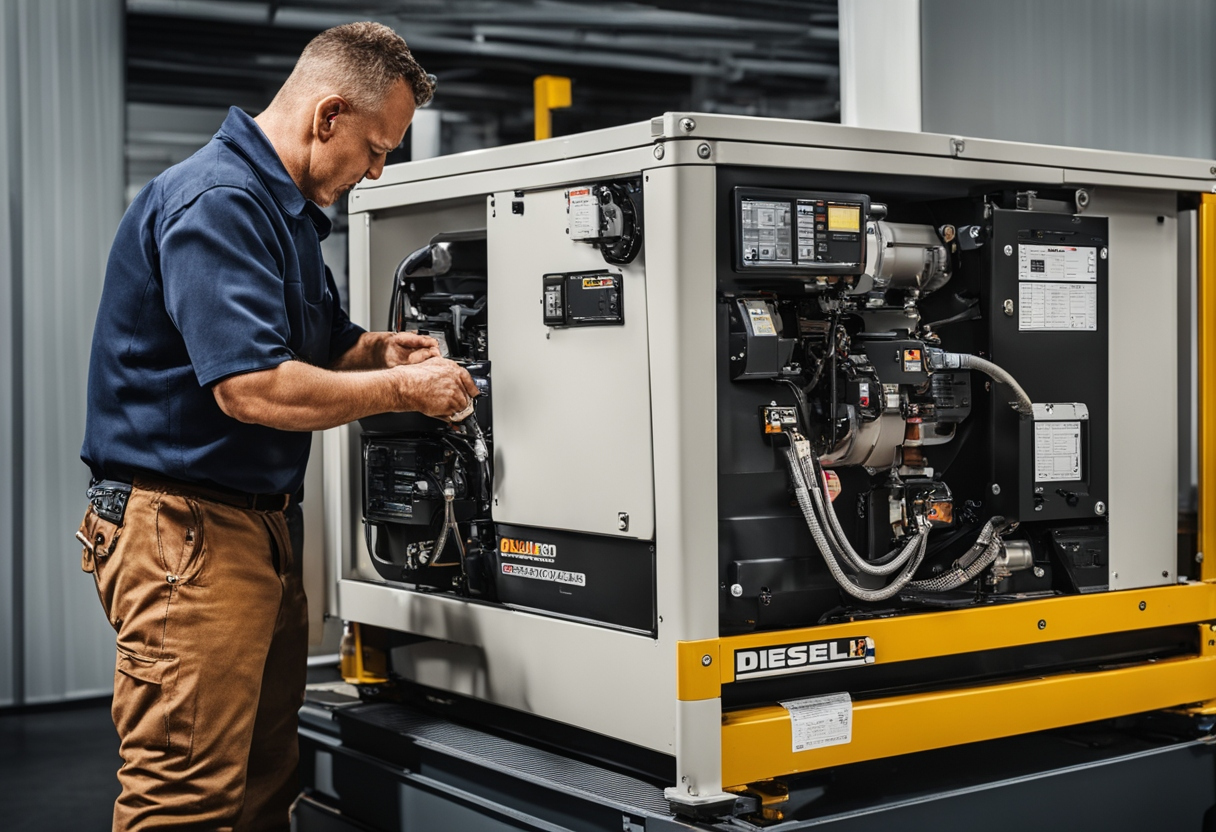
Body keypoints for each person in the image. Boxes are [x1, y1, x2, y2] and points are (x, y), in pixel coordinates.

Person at [77, 22, 473, 831]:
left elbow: (320, 347)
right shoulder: (219, 202)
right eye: (374, 148)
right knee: (184, 796)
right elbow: (252, 387)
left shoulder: (283, 213)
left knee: (263, 776)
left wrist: (377, 350)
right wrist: (404, 389)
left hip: (251, 530)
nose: (375, 171)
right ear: (328, 115)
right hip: (185, 534)